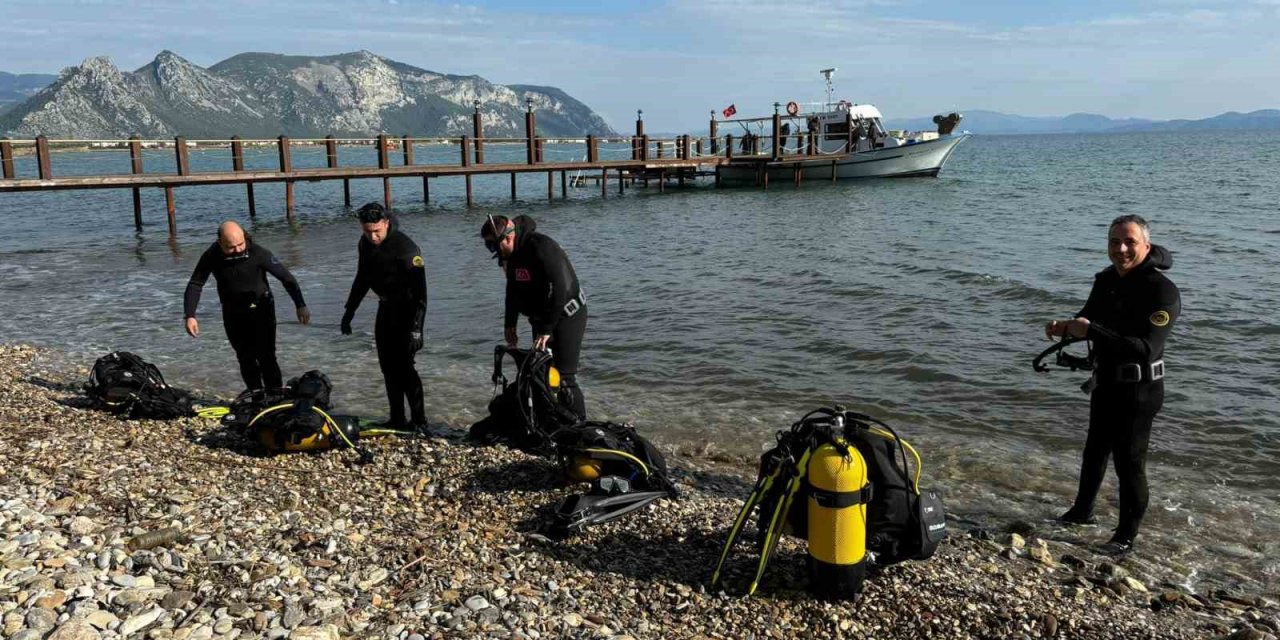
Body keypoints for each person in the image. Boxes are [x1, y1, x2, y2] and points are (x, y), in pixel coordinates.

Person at [1044, 214, 1180, 555]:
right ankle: (1081, 513)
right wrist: (1064, 327)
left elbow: (1146, 348)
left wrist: (1089, 330)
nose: (1121, 249)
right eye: (1114, 242)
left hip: (1140, 390)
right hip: (1105, 382)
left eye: (1129, 242)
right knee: (1095, 451)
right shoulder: (1106, 280)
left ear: (1146, 246)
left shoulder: (1162, 291)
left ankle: (1124, 538)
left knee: (1129, 463)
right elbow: (1088, 317)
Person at [480, 214, 588, 420]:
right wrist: (510, 324)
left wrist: (546, 330)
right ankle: (552, 420)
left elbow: (561, 290)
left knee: (564, 377)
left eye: (493, 246)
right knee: (541, 372)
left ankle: (579, 424)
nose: (493, 252)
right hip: (541, 319)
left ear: (508, 238)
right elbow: (512, 289)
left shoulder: (542, 247)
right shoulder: (508, 257)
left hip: (568, 314)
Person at [184, 221, 309, 391]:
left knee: (267, 356)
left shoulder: (258, 253)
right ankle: (256, 396)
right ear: (220, 242)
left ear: (245, 237)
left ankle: (275, 396)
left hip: (261, 308)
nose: (237, 250)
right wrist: (190, 315)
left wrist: (300, 305)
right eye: (230, 247)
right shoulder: (211, 256)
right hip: (233, 312)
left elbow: (287, 279)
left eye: (240, 244)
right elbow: (195, 284)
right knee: (245, 357)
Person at [341, 202, 428, 431]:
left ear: (387, 223)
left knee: (406, 367)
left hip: (408, 312)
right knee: (387, 367)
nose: (373, 236)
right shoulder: (365, 244)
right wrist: (349, 311)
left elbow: (421, 294)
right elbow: (362, 278)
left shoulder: (406, 248)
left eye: (377, 231)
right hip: (385, 308)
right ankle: (397, 418)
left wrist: (417, 329)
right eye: (367, 231)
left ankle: (419, 421)